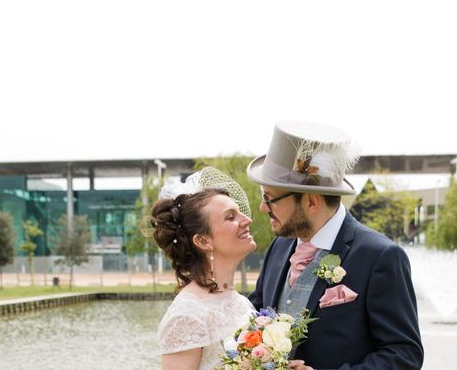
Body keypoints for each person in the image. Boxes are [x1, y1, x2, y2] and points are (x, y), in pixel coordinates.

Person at [247, 121, 424, 370]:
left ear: (311, 201)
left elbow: (404, 355)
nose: (263, 207)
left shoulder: (380, 257)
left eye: (270, 198)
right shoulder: (279, 247)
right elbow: (255, 320)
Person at [151, 167, 257, 370]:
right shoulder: (186, 317)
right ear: (203, 240)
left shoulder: (241, 302)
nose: (247, 220)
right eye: (231, 217)